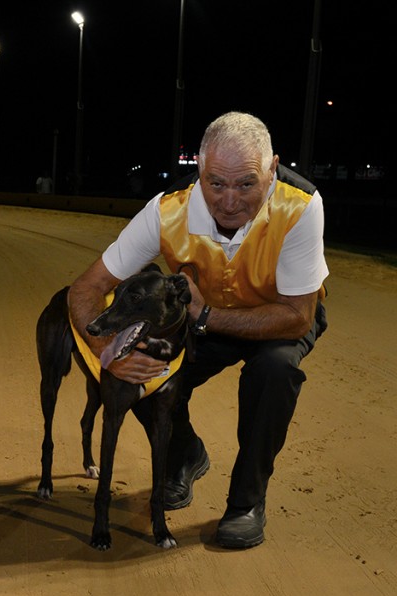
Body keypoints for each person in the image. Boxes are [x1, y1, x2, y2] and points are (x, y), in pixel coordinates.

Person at [68, 112, 328, 549]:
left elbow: (299, 316)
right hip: (201, 319)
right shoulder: (166, 210)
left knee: (275, 371)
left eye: (246, 184)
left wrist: (206, 317)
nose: (229, 201)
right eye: (216, 184)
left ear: (272, 169)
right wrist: (108, 350)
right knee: (141, 370)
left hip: (276, 317)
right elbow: (86, 289)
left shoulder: (300, 204)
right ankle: (185, 455)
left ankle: (246, 503)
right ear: (199, 174)